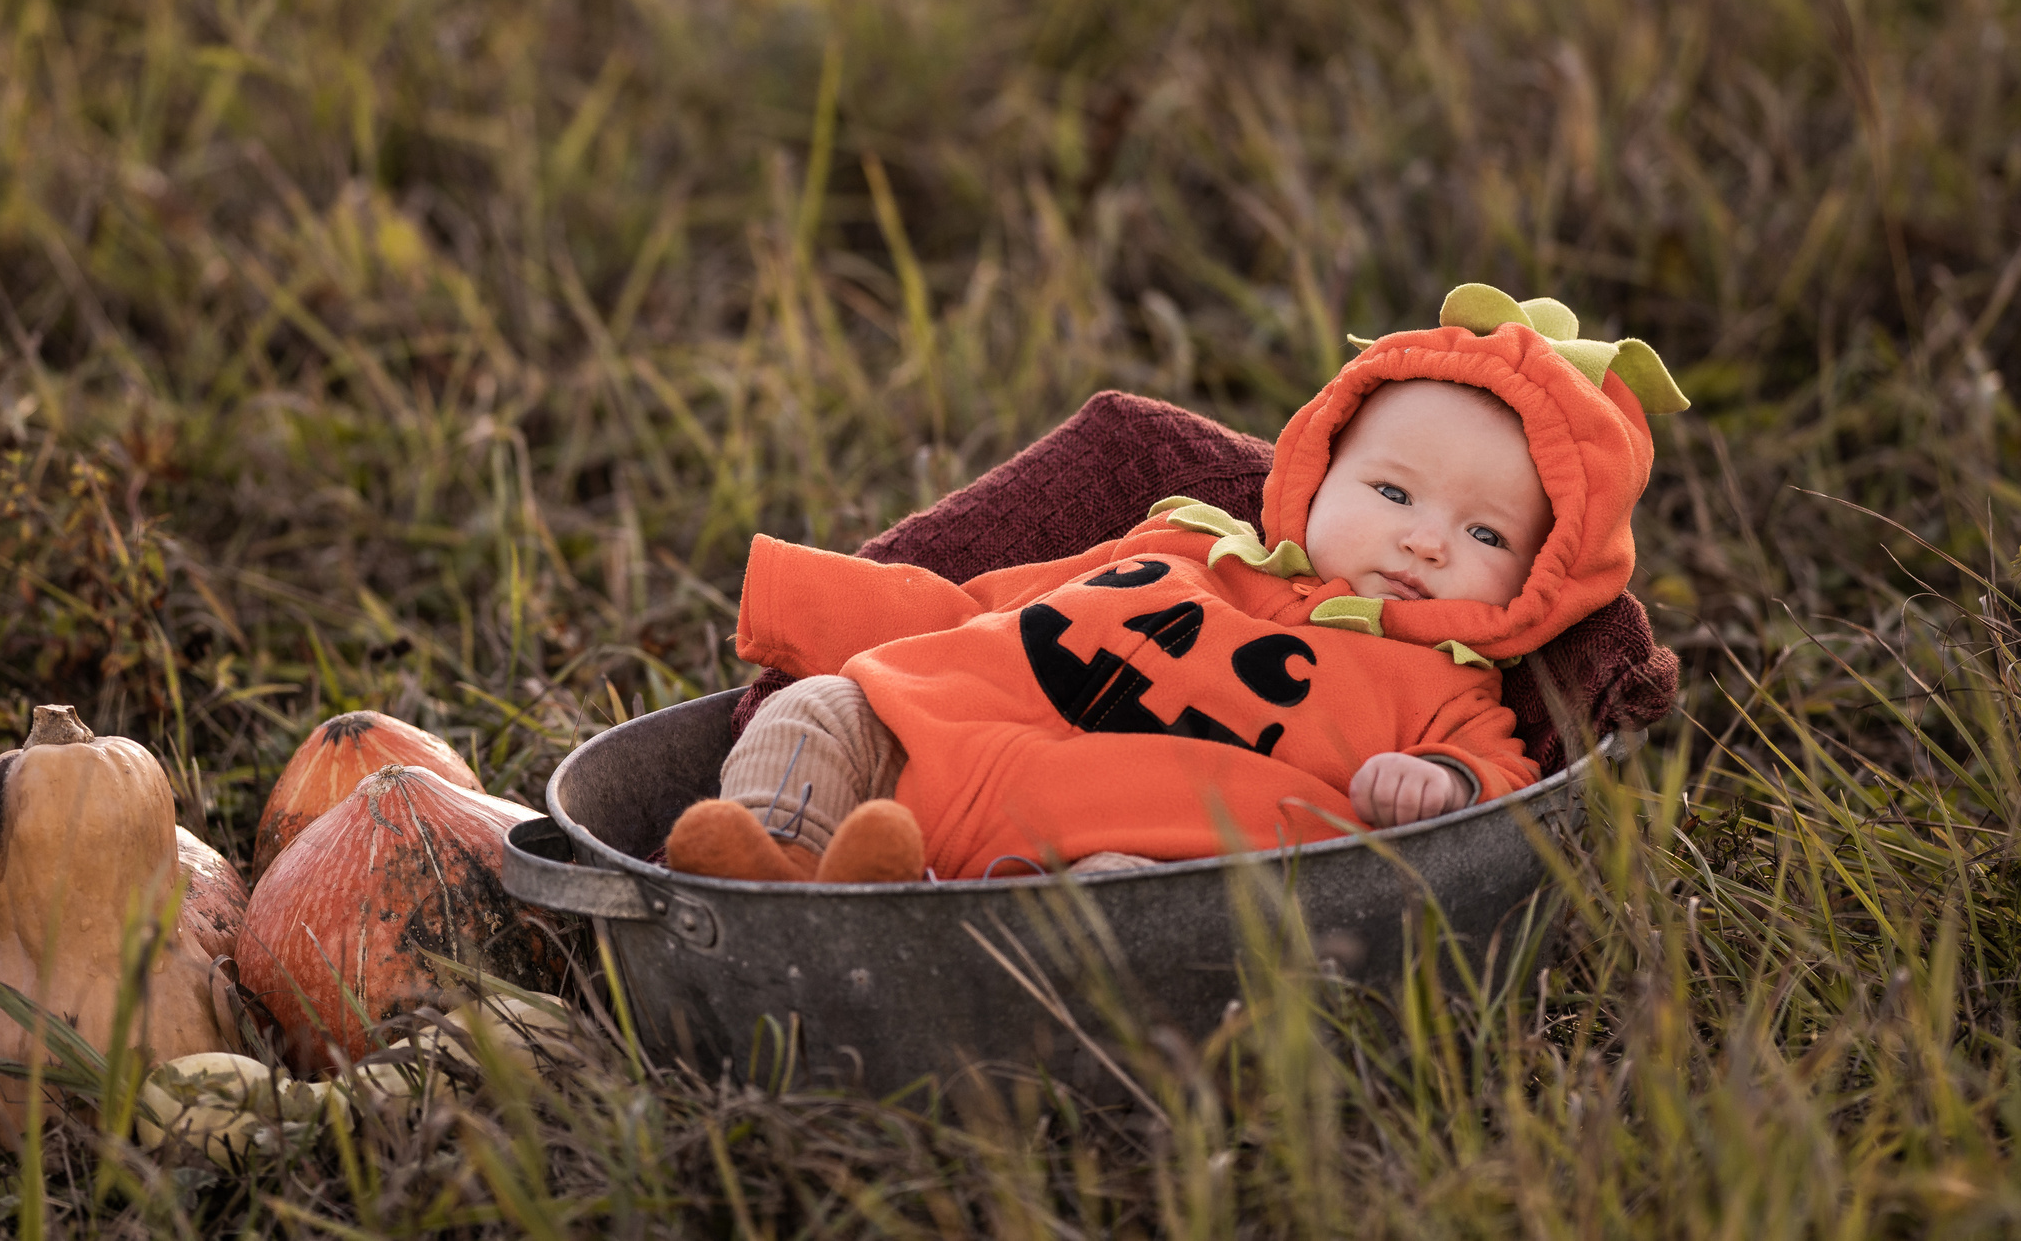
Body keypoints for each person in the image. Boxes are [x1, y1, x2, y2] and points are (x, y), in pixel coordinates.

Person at [665, 284, 1687, 884]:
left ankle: (882, 928)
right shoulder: (1186, 546)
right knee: (816, 713)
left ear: (1541, 579)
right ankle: (774, 883)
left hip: (1119, 859)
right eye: (1391, 492)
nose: (1422, 544)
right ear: (1313, 471)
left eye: (1482, 531)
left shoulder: (1445, 691)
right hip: (934, 748)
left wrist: (1444, 783)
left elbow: (1505, 793)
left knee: (1132, 922)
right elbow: (991, 611)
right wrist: (811, 608)